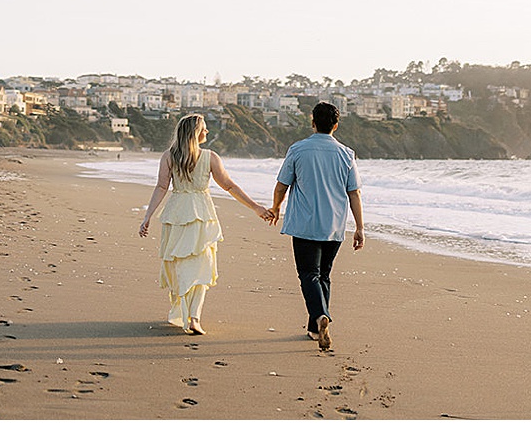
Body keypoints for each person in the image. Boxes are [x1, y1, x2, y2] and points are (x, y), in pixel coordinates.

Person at [139, 114, 275, 335]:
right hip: (201, 213)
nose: (207, 132)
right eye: (204, 128)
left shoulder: (169, 156)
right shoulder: (210, 157)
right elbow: (229, 186)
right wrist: (256, 208)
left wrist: (148, 216)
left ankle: (188, 314)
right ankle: (193, 317)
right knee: (201, 264)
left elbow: (161, 187)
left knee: (180, 264)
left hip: (176, 213)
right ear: (195, 132)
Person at [269, 102, 364, 351]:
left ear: (313, 122)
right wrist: (360, 227)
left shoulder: (298, 149)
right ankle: (314, 328)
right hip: (334, 225)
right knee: (324, 275)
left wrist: (276, 207)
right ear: (335, 124)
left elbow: (282, 184)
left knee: (308, 274)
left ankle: (321, 316)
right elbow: (354, 193)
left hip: (304, 224)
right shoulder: (346, 154)